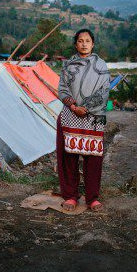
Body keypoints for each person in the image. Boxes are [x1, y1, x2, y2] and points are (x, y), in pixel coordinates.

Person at [57, 29, 111, 212]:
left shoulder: (101, 66)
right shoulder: (67, 65)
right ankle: (71, 196)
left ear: (93, 44)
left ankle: (92, 198)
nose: (84, 44)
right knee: (69, 157)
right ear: (75, 44)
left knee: (93, 158)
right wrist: (73, 107)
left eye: (87, 40)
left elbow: (104, 91)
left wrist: (85, 108)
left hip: (93, 117)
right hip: (69, 116)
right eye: (80, 40)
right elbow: (62, 89)